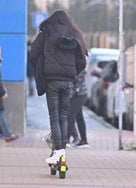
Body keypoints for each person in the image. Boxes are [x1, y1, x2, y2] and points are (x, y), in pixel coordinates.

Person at [30, 10, 88, 164]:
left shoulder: (46, 33)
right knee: (63, 116)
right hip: (68, 82)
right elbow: (82, 62)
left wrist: (41, 68)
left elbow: (33, 54)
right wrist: (73, 73)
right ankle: (61, 151)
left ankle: (59, 150)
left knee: (54, 116)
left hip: (52, 81)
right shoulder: (76, 35)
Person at [67, 70, 90, 148]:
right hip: (77, 94)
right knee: (79, 117)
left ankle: (66, 139)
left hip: (80, 94)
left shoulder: (80, 64)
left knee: (70, 115)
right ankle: (84, 141)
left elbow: (75, 78)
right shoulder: (77, 62)